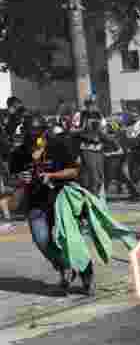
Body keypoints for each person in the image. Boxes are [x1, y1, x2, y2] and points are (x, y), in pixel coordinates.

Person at [9, 118, 89, 293]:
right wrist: (19, 179)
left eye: (37, 135)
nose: (34, 141)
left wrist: (52, 175)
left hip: (61, 200)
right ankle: (64, 268)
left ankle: (86, 276)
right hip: (35, 204)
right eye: (29, 136)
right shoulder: (19, 153)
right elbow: (11, 177)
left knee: (71, 240)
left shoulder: (58, 146)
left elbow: (74, 170)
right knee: (42, 240)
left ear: (44, 133)